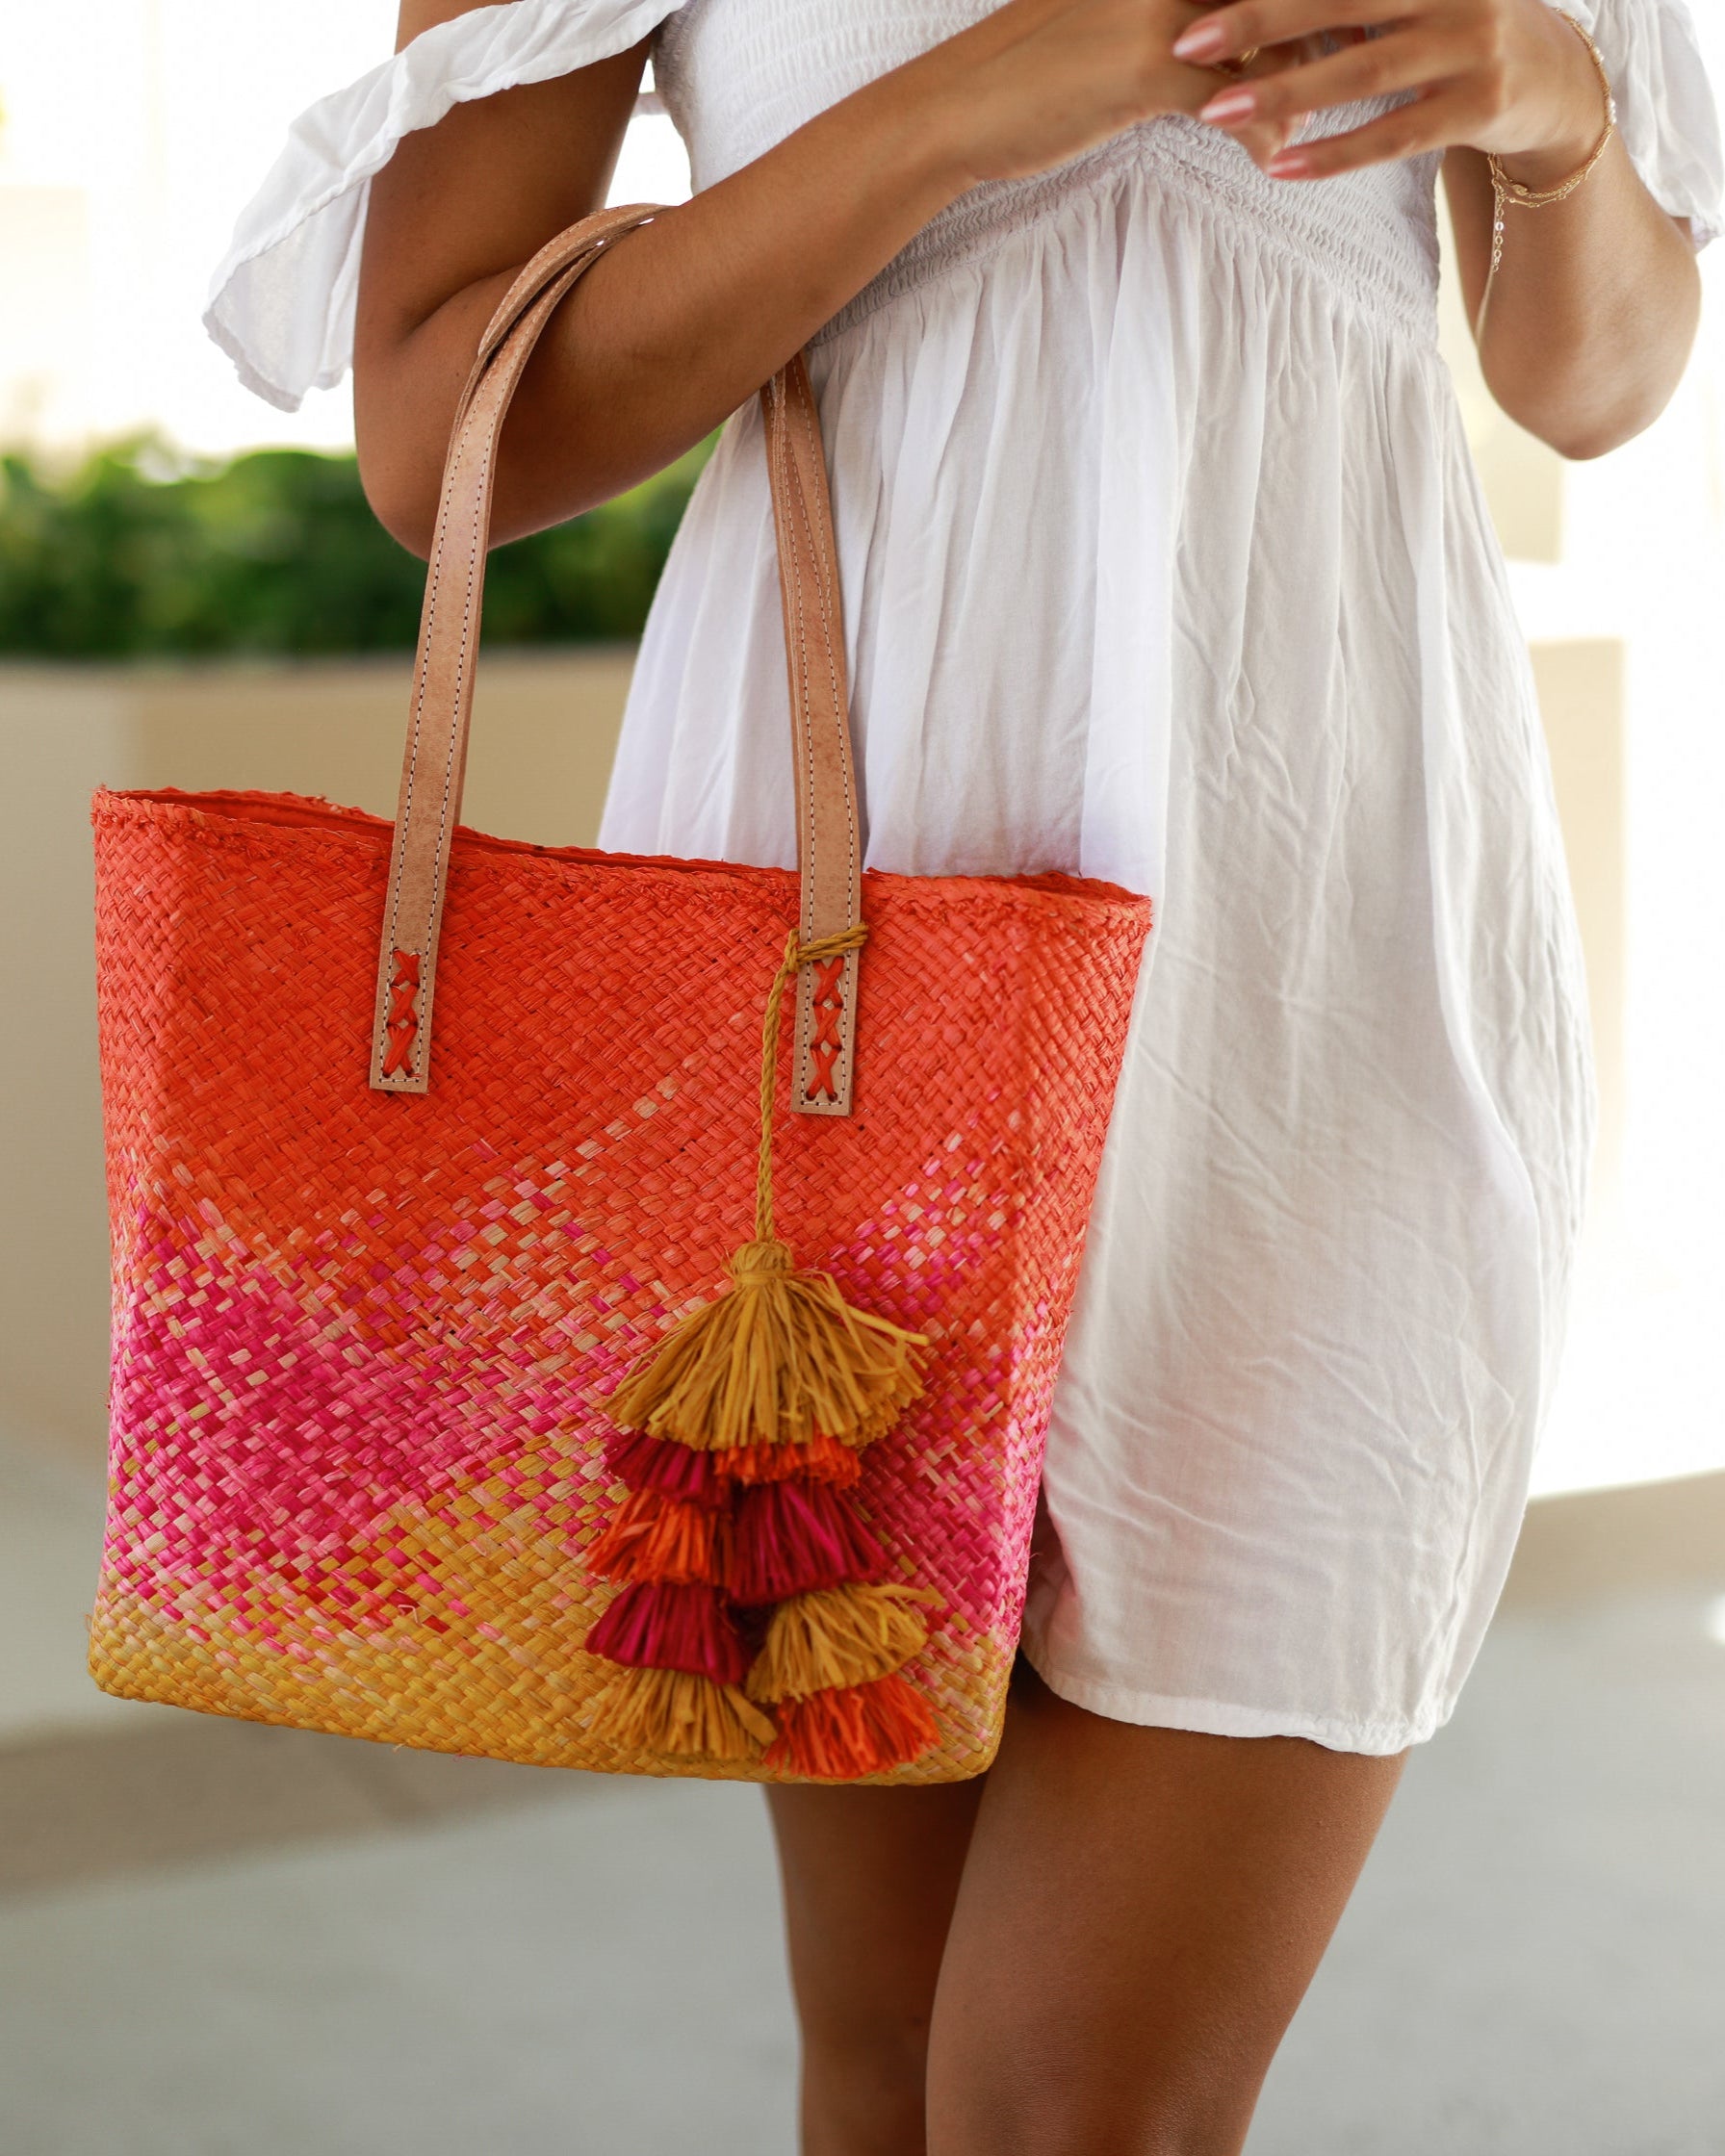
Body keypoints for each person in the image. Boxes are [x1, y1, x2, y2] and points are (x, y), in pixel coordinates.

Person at [206, 1, 1721, 2148]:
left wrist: (1552, 102)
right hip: (838, 953)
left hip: (1326, 951)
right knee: (888, 2053)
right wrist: (987, 97)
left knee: (1072, 2105)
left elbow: (1596, 379)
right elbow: (440, 422)